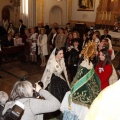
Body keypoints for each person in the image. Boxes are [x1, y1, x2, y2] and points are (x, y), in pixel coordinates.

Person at [60, 41, 101, 120]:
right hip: (88, 91)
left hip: (79, 92)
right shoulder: (91, 65)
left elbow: (78, 77)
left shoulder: (83, 64)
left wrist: (72, 87)